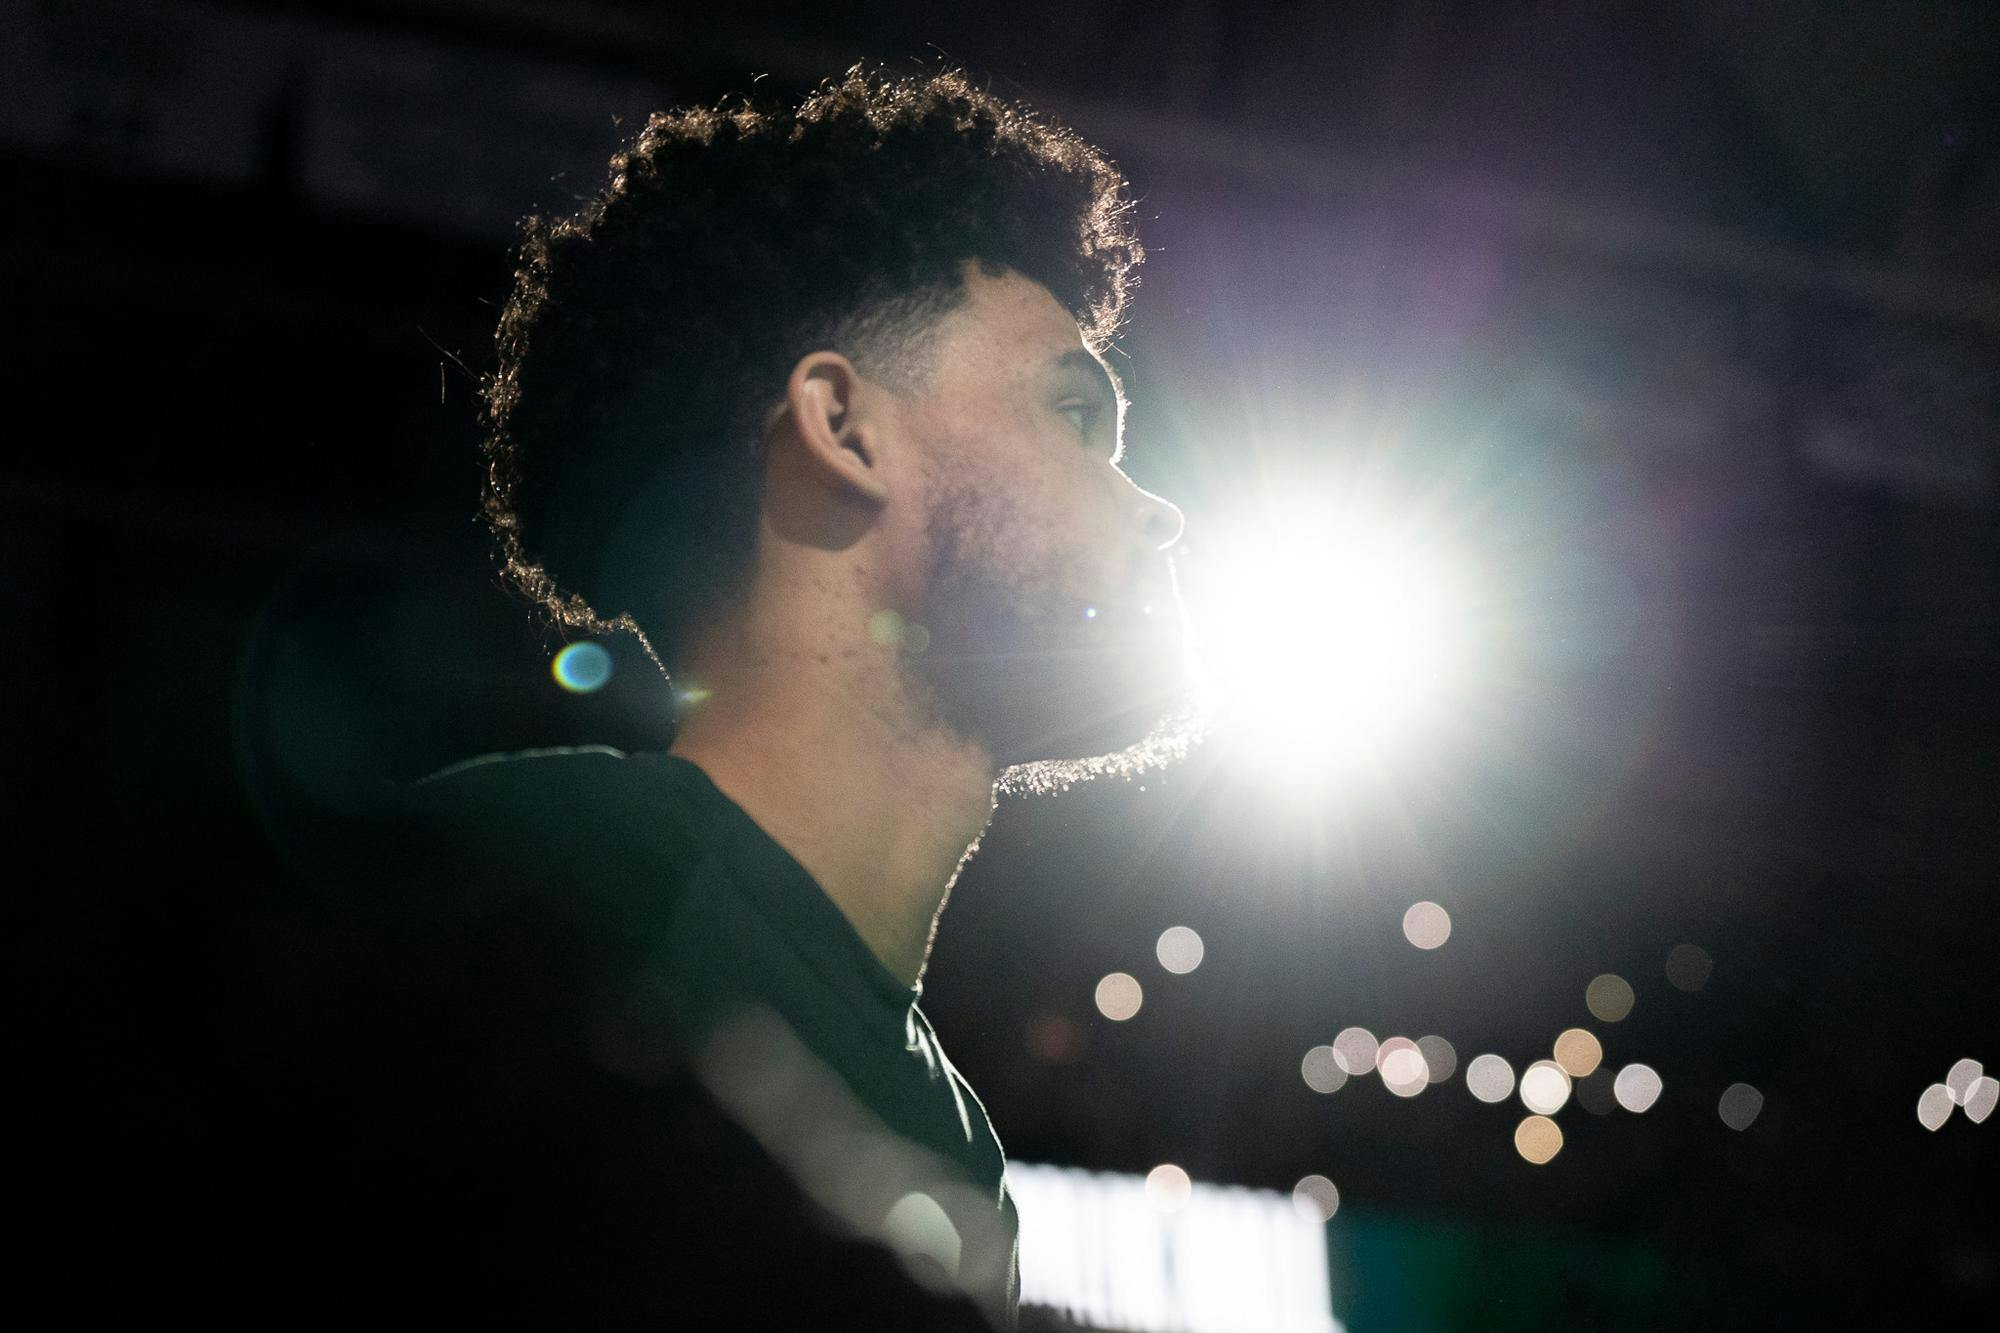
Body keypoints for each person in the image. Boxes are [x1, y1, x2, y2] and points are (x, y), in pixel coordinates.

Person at [237, 65, 1195, 1328]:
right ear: (843, 430)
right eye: (1075, 415)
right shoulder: (533, 881)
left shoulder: (957, 1145)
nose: (1157, 508)